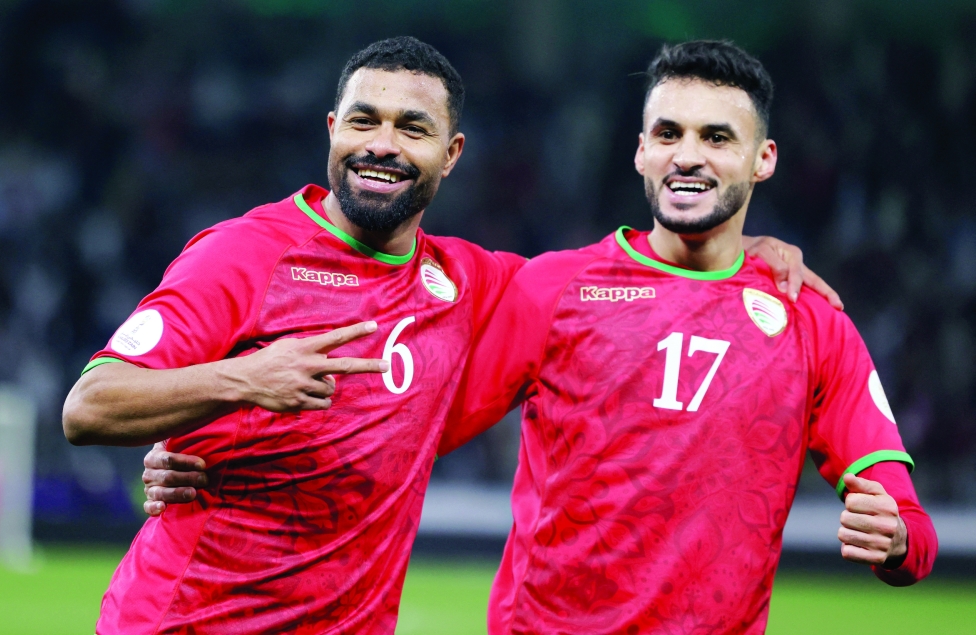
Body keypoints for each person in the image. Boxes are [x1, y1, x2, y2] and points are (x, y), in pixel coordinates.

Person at [67, 37, 836, 634]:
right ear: (332, 131)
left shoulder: (472, 280)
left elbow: (621, 276)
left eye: (413, 127)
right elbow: (90, 405)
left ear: (451, 154)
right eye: (364, 120)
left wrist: (747, 257)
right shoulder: (244, 253)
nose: (383, 144)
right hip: (187, 617)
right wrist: (238, 381)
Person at [433, 41, 937, 633]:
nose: (688, 156)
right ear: (642, 151)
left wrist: (895, 536)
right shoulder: (554, 287)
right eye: (668, 134)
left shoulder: (813, 323)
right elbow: (419, 434)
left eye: (717, 138)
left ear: (763, 158)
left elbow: (912, 532)